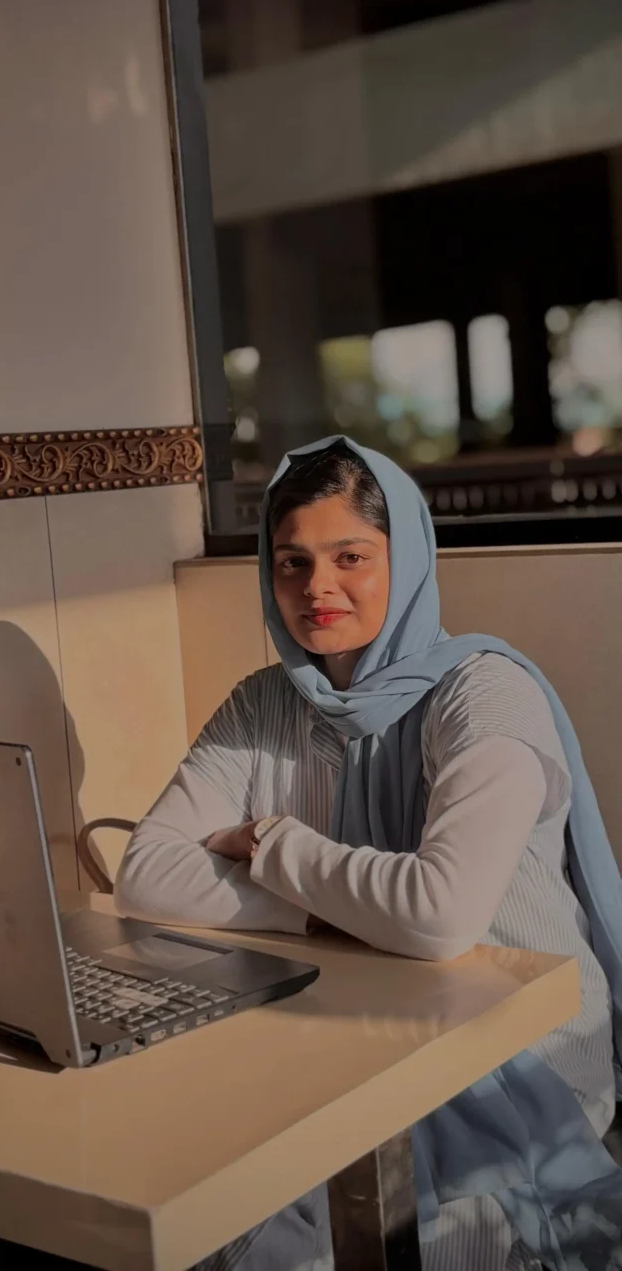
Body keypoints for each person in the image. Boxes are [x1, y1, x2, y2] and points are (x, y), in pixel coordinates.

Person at [115, 436, 622, 1271]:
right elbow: (146, 871)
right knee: (184, 1161)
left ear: (407, 556)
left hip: (516, 1056)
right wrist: (341, 916)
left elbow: (439, 912)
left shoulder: (486, 695)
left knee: (301, 1220)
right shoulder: (262, 704)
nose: (317, 588)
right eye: (291, 562)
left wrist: (269, 844)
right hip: (342, 1044)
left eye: (350, 556)